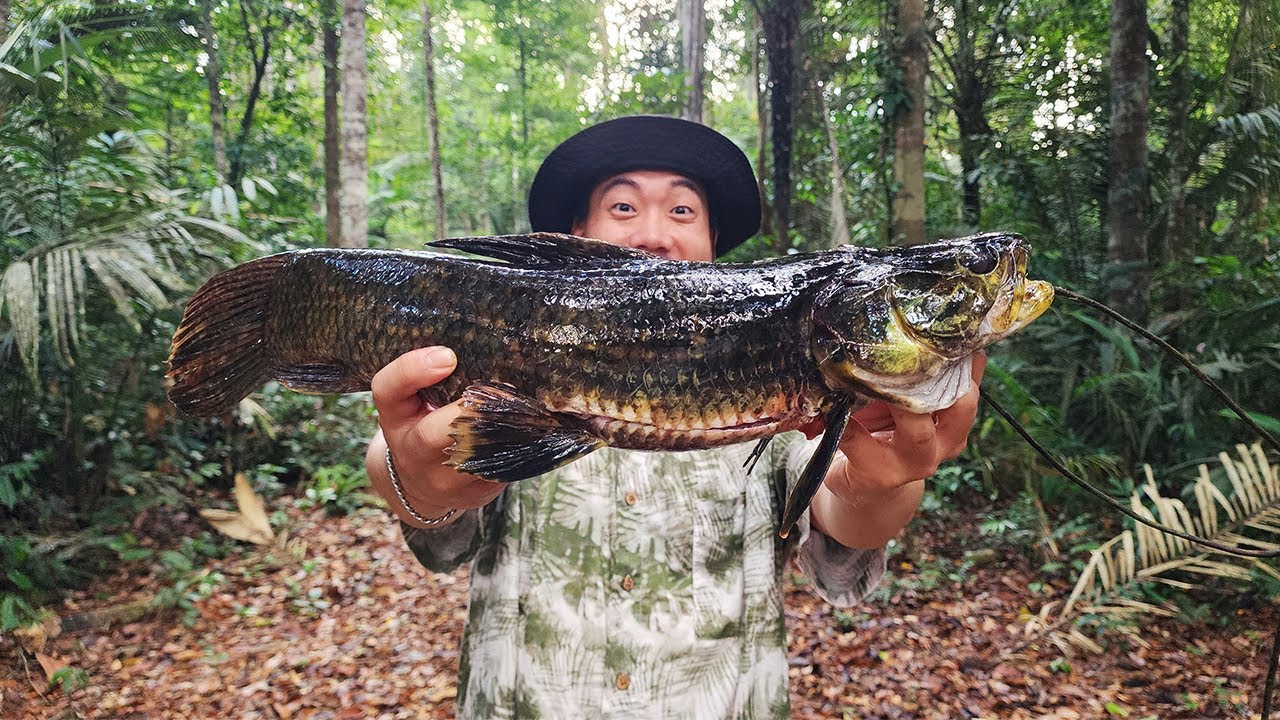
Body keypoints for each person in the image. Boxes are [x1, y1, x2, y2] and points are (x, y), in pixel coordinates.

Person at [363, 116, 984, 719]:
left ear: (713, 245)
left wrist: (884, 479)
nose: (654, 234)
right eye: (623, 207)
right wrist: (415, 478)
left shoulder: (779, 376)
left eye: (683, 210)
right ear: (574, 236)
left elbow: (843, 516)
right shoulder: (506, 356)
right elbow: (424, 506)